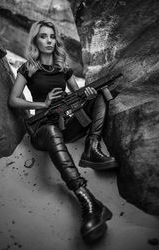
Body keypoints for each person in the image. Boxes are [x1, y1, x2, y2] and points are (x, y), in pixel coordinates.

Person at [9, 19, 117, 243]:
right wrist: (42, 104)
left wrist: (84, 98)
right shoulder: (28, 68)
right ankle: (87, 200)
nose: (48, 41)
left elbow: (76, 98)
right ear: (35, 40)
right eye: (43, 36)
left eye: (51, 37)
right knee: (49, 130)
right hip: (43, 129)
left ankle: (92, 147)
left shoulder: (64, 69)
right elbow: (13, 100)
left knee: (96, 93)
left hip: (66, 123)